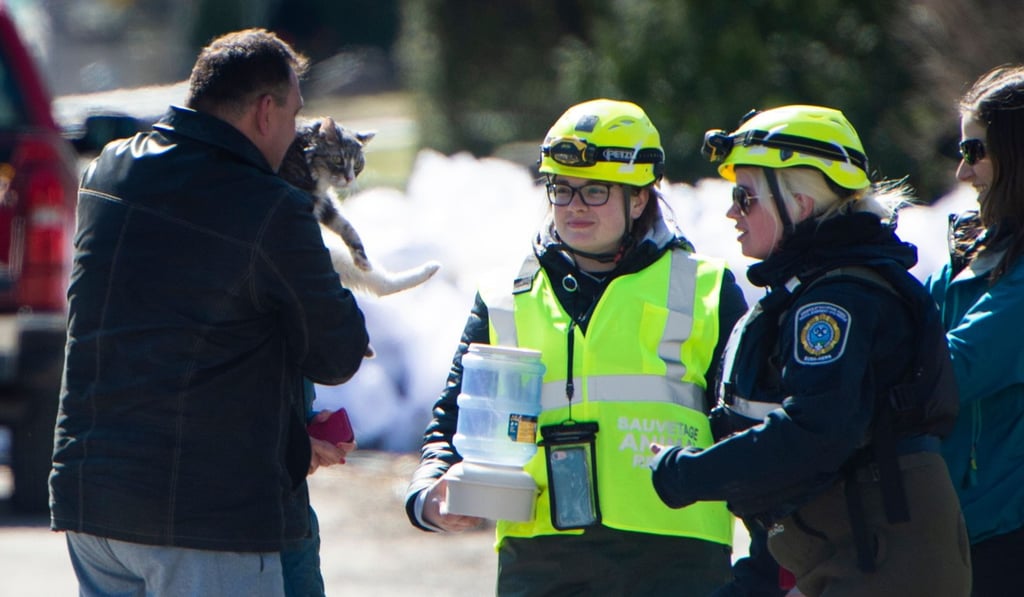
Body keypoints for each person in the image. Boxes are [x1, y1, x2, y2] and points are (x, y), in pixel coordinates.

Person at [49, 28, 370, 596]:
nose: (297, 132)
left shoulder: (110, 172)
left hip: (93, 506)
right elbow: (338, 351)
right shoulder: (271, 208)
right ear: (265, 112)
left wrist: (288, 440)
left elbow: (170, 340)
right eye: (295, 115)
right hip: (205, 523)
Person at [404, 98, 749, 596]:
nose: (574, 207)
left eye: (594, 191)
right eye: (560, 190)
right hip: (542, 556)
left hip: (676, 555)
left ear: (639, 197)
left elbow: (748, 433)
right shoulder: (504, 296)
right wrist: (428, 494)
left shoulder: (709, 289)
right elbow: (451, 423)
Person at [649, 105, 972, 597]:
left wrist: (690, 473)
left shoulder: (834, 301)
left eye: (745, 197)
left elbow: (816, 432)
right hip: (847, 548)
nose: (732, 212)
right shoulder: (816, 289)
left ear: (799, 205)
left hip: (881, 558)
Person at [925, 65, 1024, 597]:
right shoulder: (969, 262)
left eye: (976, 152)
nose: (964, 173)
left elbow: (949, 370)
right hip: (962, 540)